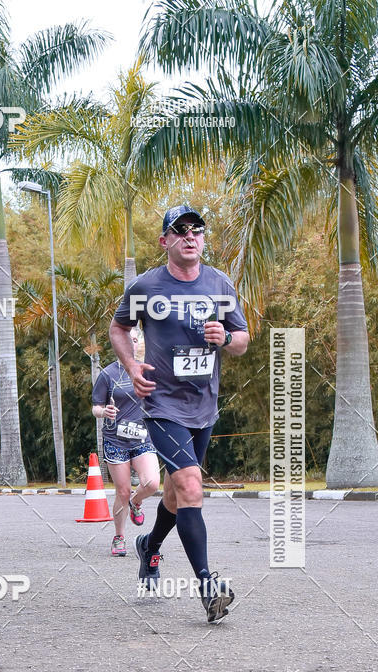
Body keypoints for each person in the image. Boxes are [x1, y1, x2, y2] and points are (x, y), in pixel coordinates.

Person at [109, 205, 249, 622]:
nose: (190, 236)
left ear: (203, 239)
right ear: (165, 240)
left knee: (174, 494)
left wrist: (225, 336)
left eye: (197, 230)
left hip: (203, 406)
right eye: (180, 230)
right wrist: (132, 367)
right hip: (162, 404)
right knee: (190, 485)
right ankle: (208, 587)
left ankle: (149, 548)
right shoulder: (145, 287)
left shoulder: (219, 284)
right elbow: (119, 328)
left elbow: (242, 340)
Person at [92, 328, 160, 556]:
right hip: (116, 439)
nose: (131, 344)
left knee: (151, 483)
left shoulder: (149, 370)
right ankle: (119, 536)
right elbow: (95, 407)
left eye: (134, 339)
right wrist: (104, 412)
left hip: (143, 437)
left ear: (140, 342)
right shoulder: (108, 374)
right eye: (126, 340)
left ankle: (136, 502)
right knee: (122, 491)